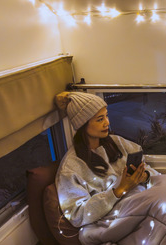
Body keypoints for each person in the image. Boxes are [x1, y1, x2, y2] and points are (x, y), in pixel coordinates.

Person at [54, 91, 160, 227]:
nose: (107, 123)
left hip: (139, 200)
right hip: (113, 220)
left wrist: (144, 176)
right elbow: (77, 215)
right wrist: (118, 191)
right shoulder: (70, 167)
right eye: (100, 119)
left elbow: (145, 167)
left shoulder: (117, 143)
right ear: (82, 124)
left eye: (106, 116)